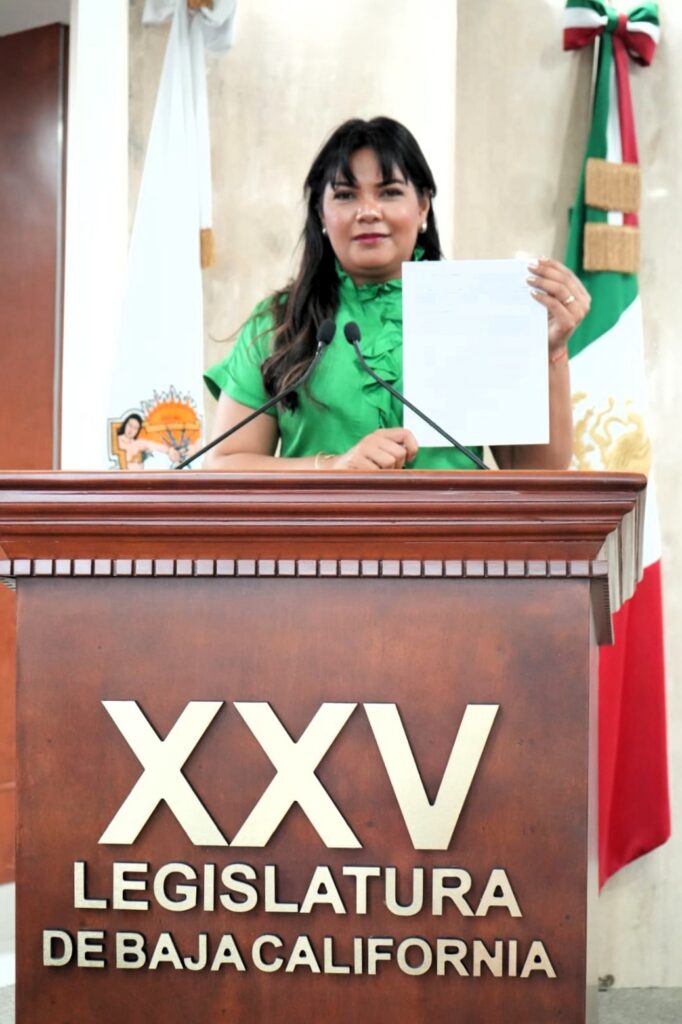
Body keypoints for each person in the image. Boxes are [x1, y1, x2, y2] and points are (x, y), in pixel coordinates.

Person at [204, 117, 589, 471]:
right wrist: (333, 468)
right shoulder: (280, 321)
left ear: (422, 207)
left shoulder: (474, 310)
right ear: (321, 214)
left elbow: (537, 475)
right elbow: (224, 465)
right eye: (345, 195)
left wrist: (548, 353)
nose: (368, 211)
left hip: (452, 526)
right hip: (322, 528)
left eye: (389, 192)